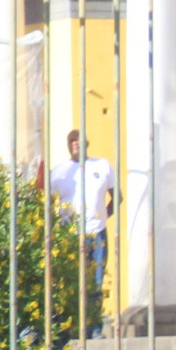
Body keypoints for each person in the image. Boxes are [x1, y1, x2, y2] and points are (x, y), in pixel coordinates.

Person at [51, 130, 115, 333]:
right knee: (72, 281)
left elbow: (117, 197)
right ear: (68, 145)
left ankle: (94, 329)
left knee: (95, 281)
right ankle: (72, 327)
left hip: (97, 232)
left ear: (87, 143)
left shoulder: (102, 166)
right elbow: (44, 201)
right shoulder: (59, 172)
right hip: (70, 235)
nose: (76, 145)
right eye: (72, 141)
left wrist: (102, 217)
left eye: (79, 141)